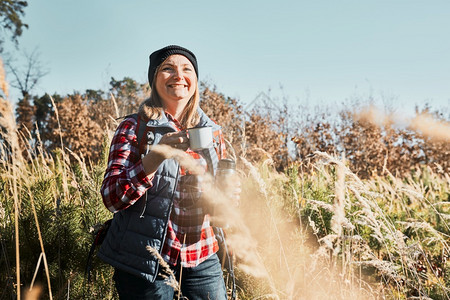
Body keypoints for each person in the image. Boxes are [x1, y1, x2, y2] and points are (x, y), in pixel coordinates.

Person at [98, 45, 230, 299]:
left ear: (195, 80)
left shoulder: (212, 133)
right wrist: (156, 155)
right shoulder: (134, 127)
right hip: (146, 261)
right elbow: (111, 197)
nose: (178, 76)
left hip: (202, 256)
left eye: (186, 69)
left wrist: (229, 196)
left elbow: (221, 208)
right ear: (154, 80)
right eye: (167, 69)